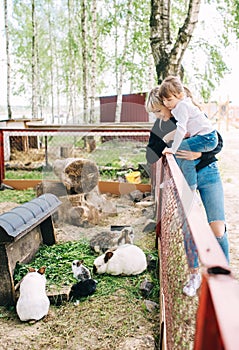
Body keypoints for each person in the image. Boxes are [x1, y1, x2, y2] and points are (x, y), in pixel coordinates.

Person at [145, 87, 229, 297]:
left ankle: (222, 275)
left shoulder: (190, 112)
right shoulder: (161, 126)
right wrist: (169, 140)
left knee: (217, 227)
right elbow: (151, 155)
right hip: (184, 180)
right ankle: (194, 275)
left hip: (209, 172)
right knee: (189, 226)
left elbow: (217, 141)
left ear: (167, 103)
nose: (157, 115)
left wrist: (198, 151)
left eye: (158, 110)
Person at [158, 76, 218, 190]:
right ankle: (182, 181)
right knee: (182, 150)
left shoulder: (182, 106)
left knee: (180, 148)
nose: (166, 103)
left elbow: (181, 129)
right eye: (164, 100)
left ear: (180, 95)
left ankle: (189, 186)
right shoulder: (182, 105)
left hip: (207, 138)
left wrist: (173, 149)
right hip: (207, 137)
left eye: (169, 99)